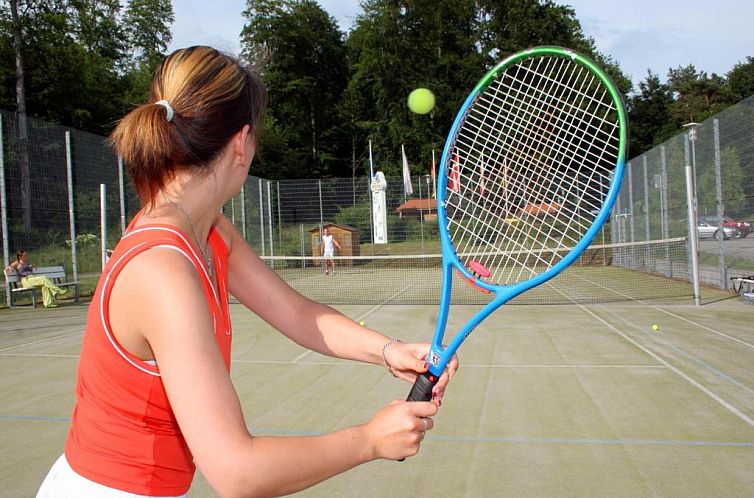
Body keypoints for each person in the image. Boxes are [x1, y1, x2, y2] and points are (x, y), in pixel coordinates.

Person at [36, 46, 457, 498]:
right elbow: (238, 472)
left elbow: (295, 312)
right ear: (241, 143)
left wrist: (388, 350)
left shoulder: (209, 228)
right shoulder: (163, 270)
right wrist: (369, 440)